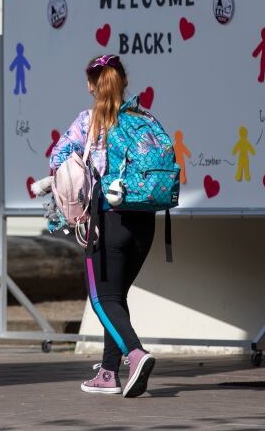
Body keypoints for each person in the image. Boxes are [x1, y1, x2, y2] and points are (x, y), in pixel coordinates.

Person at [49, 54, 156, 398]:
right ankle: (108, 373)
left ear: (91, 85)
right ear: (124, 82)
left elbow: (57, 159)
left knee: (101, 298)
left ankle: (136, 354)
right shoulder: (145, 119)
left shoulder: (88, 121)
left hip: (107, 221)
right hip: (145, 221)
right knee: (116, 297)